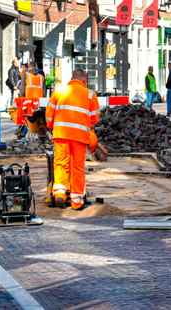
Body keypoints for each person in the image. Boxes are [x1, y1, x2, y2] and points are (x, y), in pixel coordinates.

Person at [46, 69, 100, 210]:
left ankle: (60, 194)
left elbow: (49, 114)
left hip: (61, 134)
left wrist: (51, 127)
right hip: (79, 137)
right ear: (84, 80)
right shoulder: (90, 94)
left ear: (72, 78)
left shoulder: (59, 91)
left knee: (60, 163)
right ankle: (76, 201)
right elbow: (94, 118)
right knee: (77, 167)